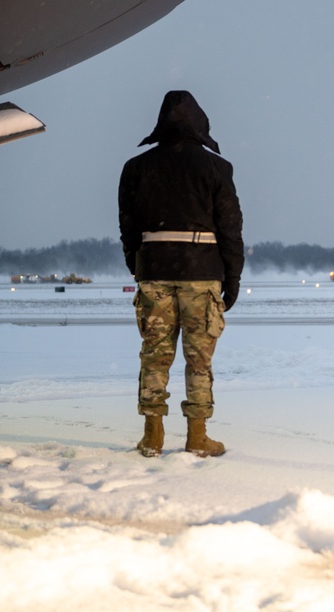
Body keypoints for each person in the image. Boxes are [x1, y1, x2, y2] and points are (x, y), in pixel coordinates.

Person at [118, 90, 244, 458]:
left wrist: (139, 265)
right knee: (198, 359)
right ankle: (197, 436)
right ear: (199, 122)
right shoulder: (216, 169)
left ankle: (152, 434)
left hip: (154, 272)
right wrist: (232, 277)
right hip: (202, 275)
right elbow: (230, 229)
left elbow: (128, 228)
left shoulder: (136, 168)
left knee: (154, 354)